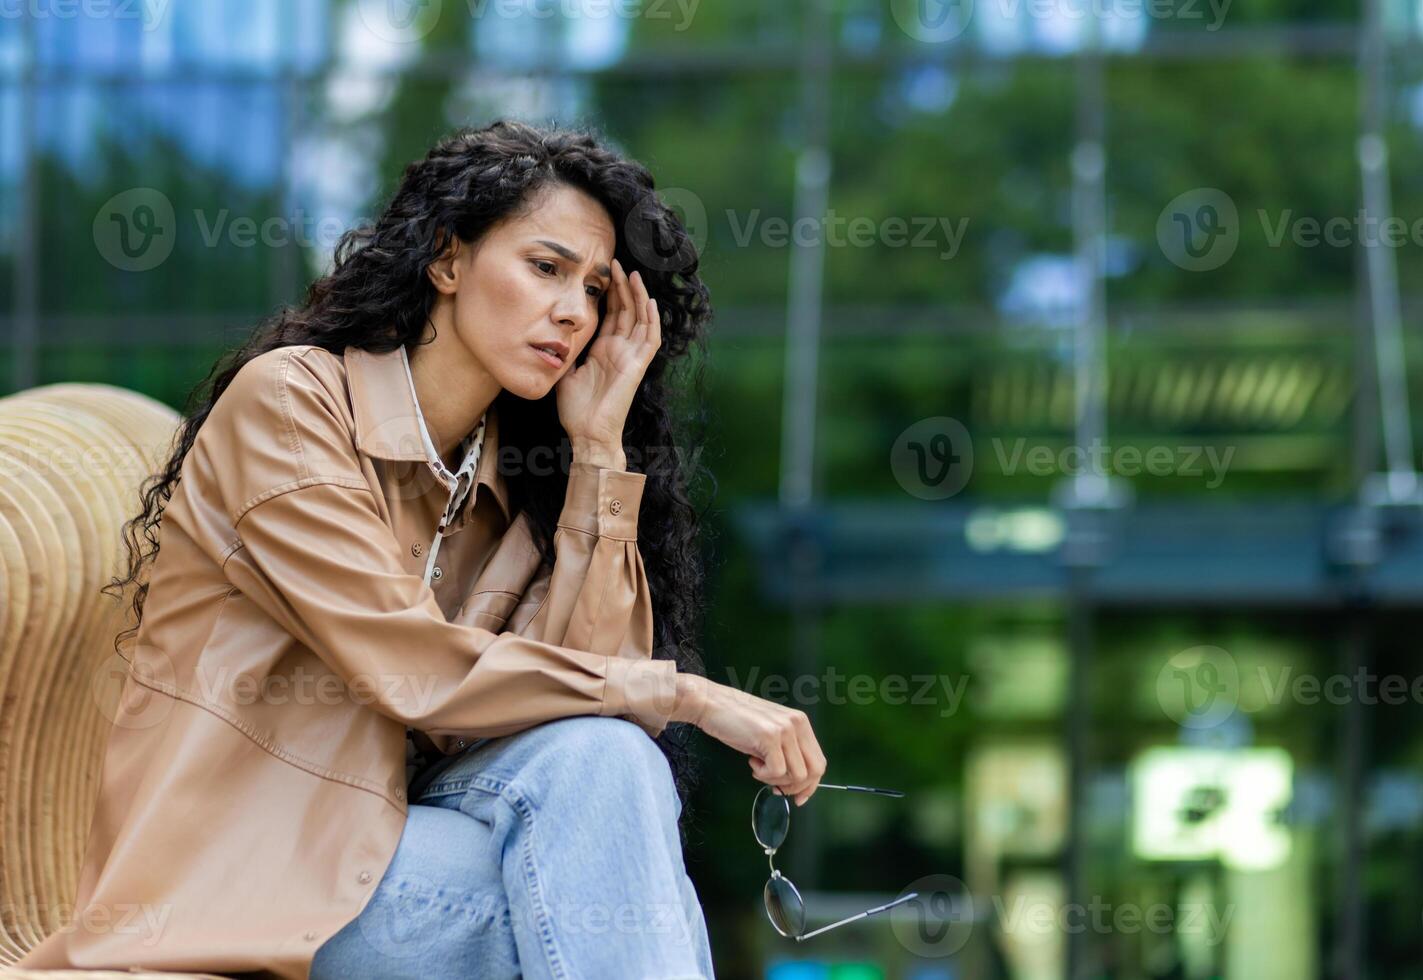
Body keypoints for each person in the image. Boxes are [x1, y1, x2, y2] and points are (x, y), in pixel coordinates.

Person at [16, 119, 826, 980]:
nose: (572, 312)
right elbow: (411, 665)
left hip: (398, 854)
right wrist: (690, 694)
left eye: (594, 291)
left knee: (607, 772)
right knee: (600, 903)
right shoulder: (293, 407)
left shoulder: (519, 482)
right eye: (545, 268)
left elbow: (589, 727)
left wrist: (596, 452)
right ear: (446, 260)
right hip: (247, 874)